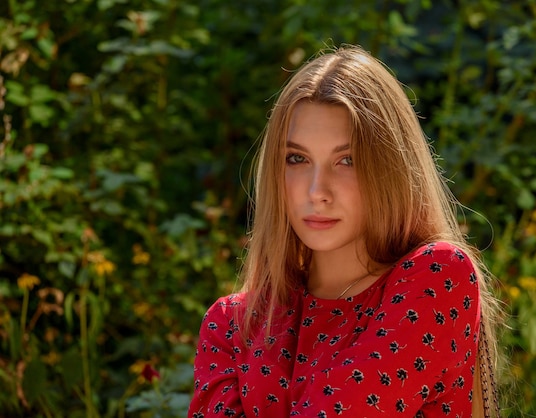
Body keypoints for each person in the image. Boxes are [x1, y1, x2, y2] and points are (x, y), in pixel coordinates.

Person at [188, 45, 501, 417]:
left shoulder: (438, 276)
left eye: (346, 160)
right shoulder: (231, 326)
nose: (317, 191)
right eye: (297, 159)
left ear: (390, 169)